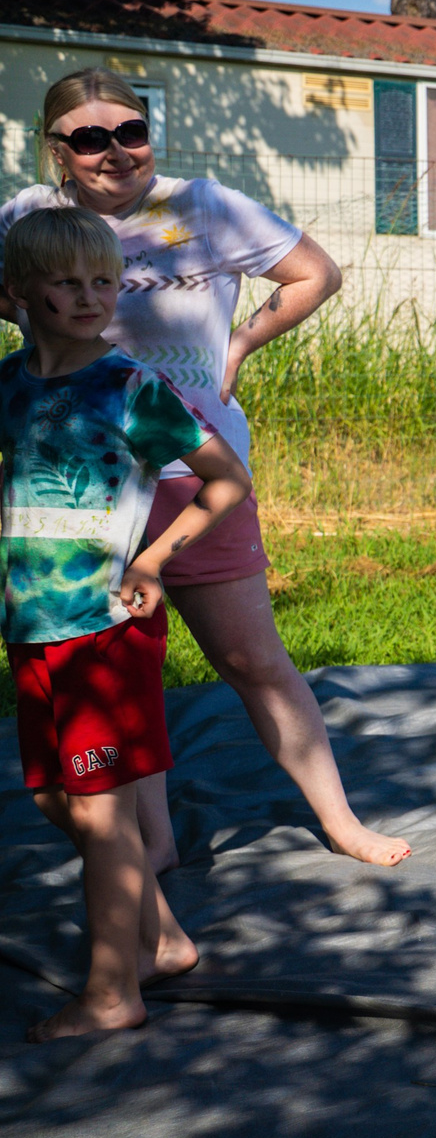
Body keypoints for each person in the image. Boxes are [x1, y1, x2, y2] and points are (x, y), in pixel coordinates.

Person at [0, 69, 412, 869]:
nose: (116, 150)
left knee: (254, 658)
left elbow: (315, 274)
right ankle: (150, 847)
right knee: (120, 678)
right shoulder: (27, 216)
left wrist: (243, 340)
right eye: (89, 137)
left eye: (131, 130)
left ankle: (339, 820)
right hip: (77, 497)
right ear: (56, 148)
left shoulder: (205, 205)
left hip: (193, 477)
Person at [2, 208, 251, 1040]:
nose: (86, 296)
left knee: (104, 816)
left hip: (103, 630)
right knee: (51, 798)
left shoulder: (134, 387)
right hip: (31, 628)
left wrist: (152, 560)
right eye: (65, 282)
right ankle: (166, 939)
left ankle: (113, 992)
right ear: (20, 293)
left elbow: (226, 483)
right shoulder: (10, 384)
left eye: (101, 281)